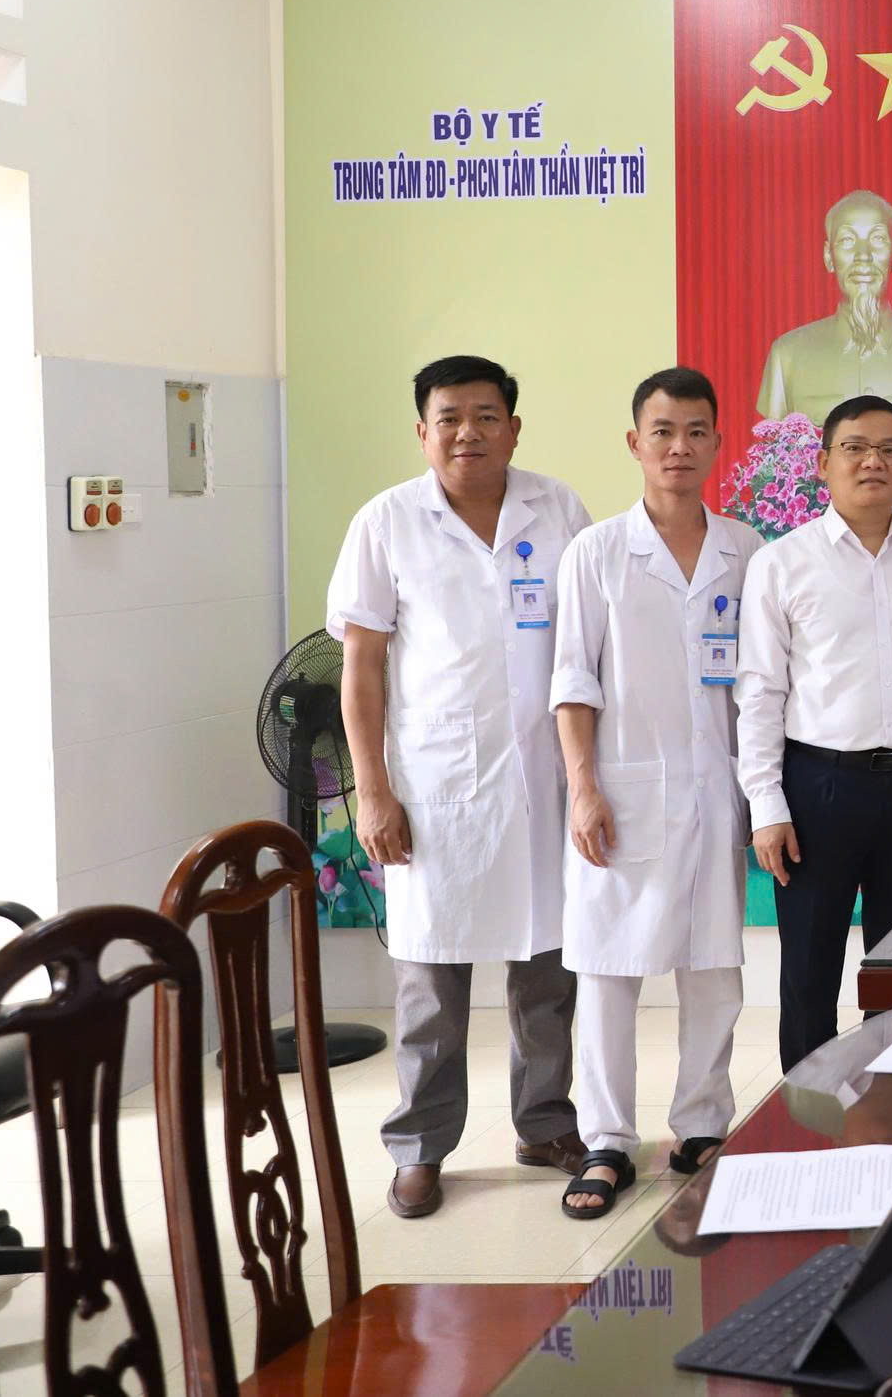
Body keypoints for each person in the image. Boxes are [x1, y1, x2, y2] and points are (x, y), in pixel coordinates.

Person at [328, 355, 592, 1220]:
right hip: (435, 784)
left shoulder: (559, 509)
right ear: (423, 431)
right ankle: (420, 1147)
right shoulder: (387, 522)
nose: (468, 432)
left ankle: (545, 1124)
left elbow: (589, 646)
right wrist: (372, 790)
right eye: (449, 417)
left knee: (547, 972)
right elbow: (361, 669)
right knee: (431, 986)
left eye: (486, 415)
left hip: (544, 779)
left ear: (514, 428)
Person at [548, 368, 760, 1219]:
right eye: (662, 431)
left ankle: (702, 1126)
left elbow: (762, 686)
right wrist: (582, 787)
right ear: (635, 442)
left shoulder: (746, 550)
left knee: (714, 968)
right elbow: (572, 681)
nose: (679, 447)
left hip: (717, 789)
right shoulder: (596, 552)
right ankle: (606, 1139)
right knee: (608, 970)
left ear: (717, 443)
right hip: (623, 790)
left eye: (696, 431)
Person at [737, 395, 892, 1069]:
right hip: (818, 788)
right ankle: (808, 1109)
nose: (873, 461)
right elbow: (760, 692)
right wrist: (766, 804)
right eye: (855, 448)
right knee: (810, 972)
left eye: (890, 449)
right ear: (823, 463)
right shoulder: (782, 562)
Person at [754, 189, 892, 429]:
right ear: (828, 256)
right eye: (847, 240)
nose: (863, 256)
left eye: (878, 239)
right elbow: (773, 446)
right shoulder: (787, 357)